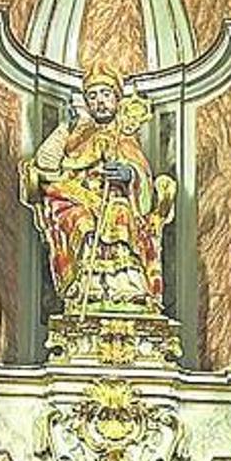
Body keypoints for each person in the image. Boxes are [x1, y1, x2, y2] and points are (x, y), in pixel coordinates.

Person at [23, 59, 175, 314]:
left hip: (117, 202)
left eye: (105, 94)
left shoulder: (125, 139)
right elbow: (46, 166)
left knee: (120, 213)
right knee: (81, 220)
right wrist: (64, 128)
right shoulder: (78, 136)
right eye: (93, 96)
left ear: (117, 100)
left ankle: (126, 287)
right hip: (78, 200)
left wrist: (130, 175)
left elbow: (144, 185)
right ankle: (87, 287)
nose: (100, 101)